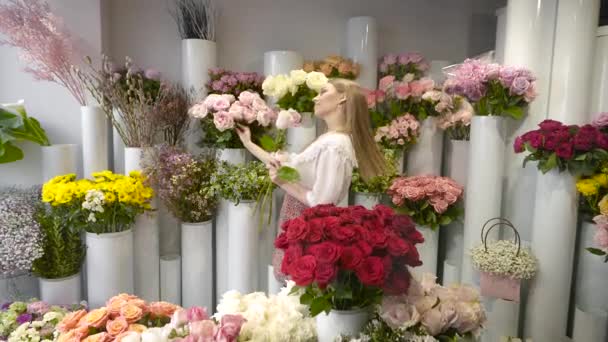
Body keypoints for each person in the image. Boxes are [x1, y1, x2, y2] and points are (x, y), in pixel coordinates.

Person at [236, 78, 387, 279]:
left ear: (342, 97)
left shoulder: (335, 145)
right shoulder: (329, 140)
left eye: (323, 91)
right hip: (299, 224)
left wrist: (283, 183)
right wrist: (249, 144)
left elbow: (322, 203)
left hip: (308, 231)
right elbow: (281, 166)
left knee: (296, 295)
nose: (316, 97)